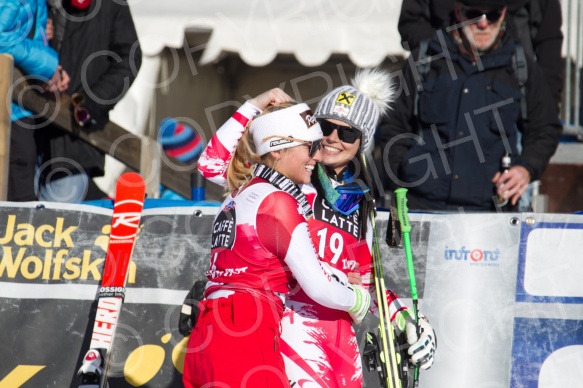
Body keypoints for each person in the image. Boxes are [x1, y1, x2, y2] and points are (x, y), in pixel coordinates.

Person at [197, 68, 437, 387]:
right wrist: (253, 106)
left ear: (362, 142)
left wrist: (406, 319)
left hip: (340, 332)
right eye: (326, 127)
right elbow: (211, 165)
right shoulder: (284, 178)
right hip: (291, 322)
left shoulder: (360, 203)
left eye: (347, 132)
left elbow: (366, 282)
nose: (333, 139)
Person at [183, 101, 372, 388]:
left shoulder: (240, 191)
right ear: (277, 149)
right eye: (310, 147)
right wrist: (357, 299)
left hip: (208, 335)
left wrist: (254, 105)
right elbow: (318, 287)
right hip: (246, 331)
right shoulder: (279, 203)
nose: (316, 157)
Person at [380, 0, 562, 212]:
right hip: (423, 208)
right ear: (458, 11)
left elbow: (545, 128)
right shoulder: (424, 59)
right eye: (474, 15)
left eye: (492, 15)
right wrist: (400, 181)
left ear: (503, 13)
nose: (483, 24)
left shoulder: (520, 65)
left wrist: (526, 168)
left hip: (490, 214)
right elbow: (393, 127)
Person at [35, 0, 142, 202]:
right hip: (24, 133)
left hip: (73, 142)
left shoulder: (111, 5)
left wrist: (90, 102)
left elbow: (130, 59)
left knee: (59, 225)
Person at [397, 0, 563, 113]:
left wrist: (547, 106)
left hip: (510, 98)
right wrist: (452, 51)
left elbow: (548, 39)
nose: (483, 24)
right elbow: (411, 24)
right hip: (444, 97)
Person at [0, 0, 70, 201]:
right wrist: (48, 66)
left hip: (19, 110)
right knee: (19, 212)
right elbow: (1, 37)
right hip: (9, 114)